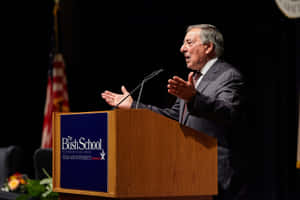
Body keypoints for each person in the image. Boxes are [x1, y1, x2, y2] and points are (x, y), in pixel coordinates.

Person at [101, 24, 248, 200]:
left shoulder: (228, 76)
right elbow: (172, 117)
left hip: (218, 175)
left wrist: (194, 98)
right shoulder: (194, 79)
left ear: (208, 47)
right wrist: (134, 106)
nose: (182, 48)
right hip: (190, 172)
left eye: (189, 42)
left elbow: (227, 112)